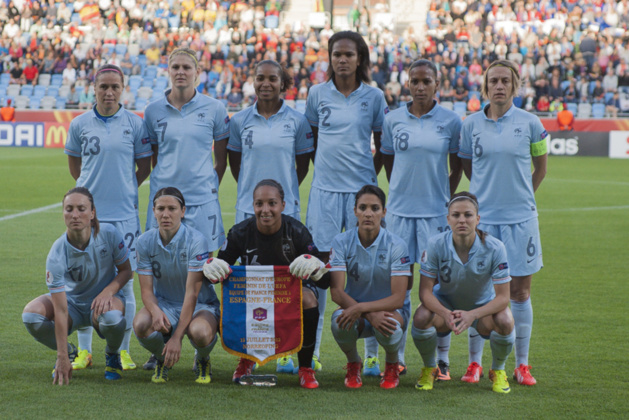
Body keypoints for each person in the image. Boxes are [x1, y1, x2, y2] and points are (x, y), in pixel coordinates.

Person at [367, 59, 462, 381]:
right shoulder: (393, 120)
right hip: (399, 216)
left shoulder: (451, 121)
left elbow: (457, 166)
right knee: (399, 287)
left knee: (440, 289)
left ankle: (442, 360)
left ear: (438, 84)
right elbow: (389, 163)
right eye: (415, 81)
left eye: (427, 81)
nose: (420, 86)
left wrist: (442, 196)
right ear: (407, 84)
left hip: (435, 215)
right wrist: (402, 193)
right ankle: (397, 358)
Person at [459, 59, 547, 386]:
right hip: (484, 223)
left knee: (521, 293)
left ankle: (521, 365)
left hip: (521, 220)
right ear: (485, 86)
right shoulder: (469, 125)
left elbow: (541, 169)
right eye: (493, 81)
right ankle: (474, 364)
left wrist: (521, 197)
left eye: (505, 81)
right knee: (477, 292)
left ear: (515, 86)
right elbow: (469, 168)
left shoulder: (532, 123)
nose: (499, 86)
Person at [142, 47, 229, 369]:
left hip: (202, 203)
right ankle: (160, 342)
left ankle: (200, 347)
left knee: (204, 272)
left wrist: (206, 186)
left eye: (186, 67)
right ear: (168, 70)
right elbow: (151, 155)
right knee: (162, 268)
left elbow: (221, 158)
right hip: (164, 202)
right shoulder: (153, 111)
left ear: (197, 71)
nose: (181, 72)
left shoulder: (214, 108)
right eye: (175, 66)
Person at [304, 31, 388, 369]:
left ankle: (370, 355)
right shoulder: (316, 94)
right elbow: (309, 142)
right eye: (336, 54)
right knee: (320, 271)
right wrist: (325, 173)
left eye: (349, 55)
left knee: (364, 271)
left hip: (360, 195)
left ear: (360, 59)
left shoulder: (375, 97)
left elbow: (383, 145)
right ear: (330, 57)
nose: (342, 59)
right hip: (324, 193)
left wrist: (367, 179)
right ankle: (314, 352)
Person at [227, 60, 314, 373]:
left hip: (285, 211)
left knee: (290, 283)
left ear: (283, 82)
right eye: (260, 78)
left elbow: (301, 164)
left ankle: (290, 349)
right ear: (253, 81)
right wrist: (257, 198)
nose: (265, 83)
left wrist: (282, 196)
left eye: (272, 78)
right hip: (250, 211)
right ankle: (248, 355)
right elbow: (236, 165)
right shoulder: (239, 121)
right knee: (253, 286)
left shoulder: (298, 121)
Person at [64, 64, 152, 372]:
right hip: (89, 216)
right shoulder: (79, 124)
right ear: (94, 88)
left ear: (123, 88)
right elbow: (76, 167)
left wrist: (125, 188)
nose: (109, 92)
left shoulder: (135, 124)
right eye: (103, 87)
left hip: (124, 216)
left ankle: (123, 350)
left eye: (115, 86)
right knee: (84, 280)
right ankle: (85, 352)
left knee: (125, 283)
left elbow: (143, 167)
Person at [203, 179, 330, 389]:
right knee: (232, 294)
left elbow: (325, 282)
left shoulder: (297, 232)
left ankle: (305, 367)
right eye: (259, 204)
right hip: (254, 295)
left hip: (288, 296)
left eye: (272, 203)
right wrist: (210, 266)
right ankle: (246, 358)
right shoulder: (239, 233)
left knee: (309, 298)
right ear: (252, 206)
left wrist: (316, 268)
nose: (265, 210)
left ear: (283, 205)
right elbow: (219, 270)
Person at [22, 187, 132, 384]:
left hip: (103, 302)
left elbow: (126, 270)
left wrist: (108, 291)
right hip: (71, 305)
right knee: (31, 316)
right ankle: (71, 352)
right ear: (62, 213)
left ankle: (112, 354)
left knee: (113, 318)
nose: (75, 215)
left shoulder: (109, 234)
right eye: (69, 209)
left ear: (92, 213)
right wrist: (61, 355)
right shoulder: (56, 253)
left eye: (81, 209)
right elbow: (61, 309)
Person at [411, 192, 515, 393]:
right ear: (448, 218)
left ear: (478, 219)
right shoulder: (435, 244)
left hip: (481, 311)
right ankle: (430, 368)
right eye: (456, 215)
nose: (462, 220)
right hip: (446, 308)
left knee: (505, 320)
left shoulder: (495, 247)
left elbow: (503, 298)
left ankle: (498, 371)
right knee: (422, 315)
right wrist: (445, 313)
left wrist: (473, 315)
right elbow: (425, 292)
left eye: (468, 215)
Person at [133, 187, 220, 384]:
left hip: (200, 304)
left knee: (200, 332)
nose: (166, 214)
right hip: (165, 304)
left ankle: (203, 358)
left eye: (172, 208)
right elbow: (146, 291)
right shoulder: (144, 242)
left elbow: (191, 294)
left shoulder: (197, 240)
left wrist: (176, 338)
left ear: (183, 211)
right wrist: (155, 311)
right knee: (141, 324)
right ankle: (162, 358)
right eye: (160, 208)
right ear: (153, 211)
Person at [329, 185, 410, 389]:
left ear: (384, 212)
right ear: (355, 210)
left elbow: (398, 298)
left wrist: (361, 309)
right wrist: (367, 313)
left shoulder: (397, 245)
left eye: (374, 208)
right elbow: (337, 292)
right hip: (356, 310)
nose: (368, 213)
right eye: (363, 207)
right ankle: (354, 363)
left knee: (389, 325)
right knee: (339, 322)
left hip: (391, 311)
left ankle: (392, 363)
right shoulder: (341, 241)